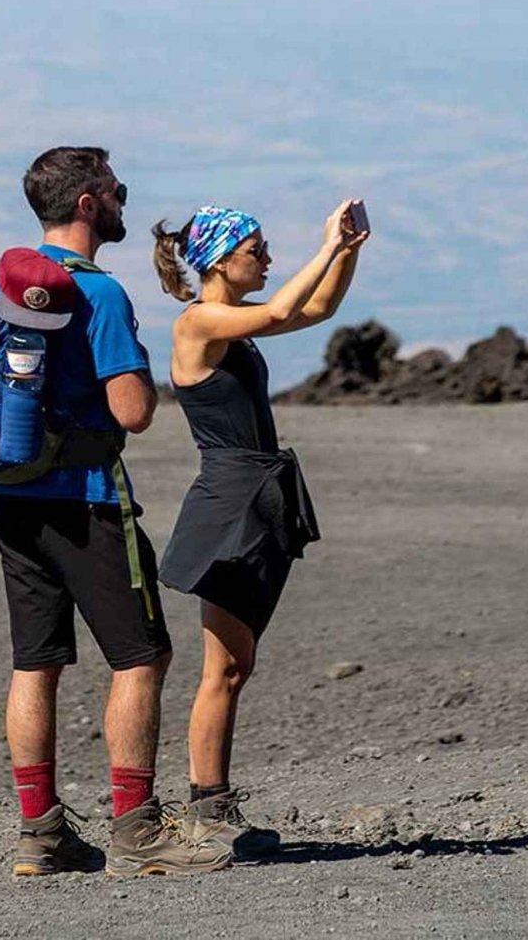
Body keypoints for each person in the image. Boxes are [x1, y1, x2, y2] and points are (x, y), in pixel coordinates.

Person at [0, 147, 232, 878]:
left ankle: (41, 833)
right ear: (90, 202)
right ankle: (135, 829)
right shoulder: (98, 293)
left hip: (8, 499)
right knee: (140, 656)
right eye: (117, 190)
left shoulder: (2, 284)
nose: (126, 200)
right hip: (87, 500)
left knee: (36, 663)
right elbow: (134, 411)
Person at [151, 200, 369, 856]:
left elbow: (316, 310)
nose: (268, 259)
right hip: (227, 507)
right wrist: (326, 245)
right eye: (257, 249)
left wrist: (349, 248)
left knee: (235, 665)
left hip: (257, 501)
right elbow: (281, 310)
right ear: (220, 259)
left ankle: (213, 807)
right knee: (221, 669)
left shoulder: (232, 327)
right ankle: (207, 811)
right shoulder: (198, 322)